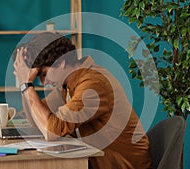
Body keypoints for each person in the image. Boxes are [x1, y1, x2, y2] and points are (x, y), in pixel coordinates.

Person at [13, 32, 152, 169]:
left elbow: (51, 131)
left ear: (61, 62)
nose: (44, 83)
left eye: (43, 74)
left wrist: (27, 87)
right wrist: (24, 85)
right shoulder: (68, 84)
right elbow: (37, 121)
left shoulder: (92, 85)